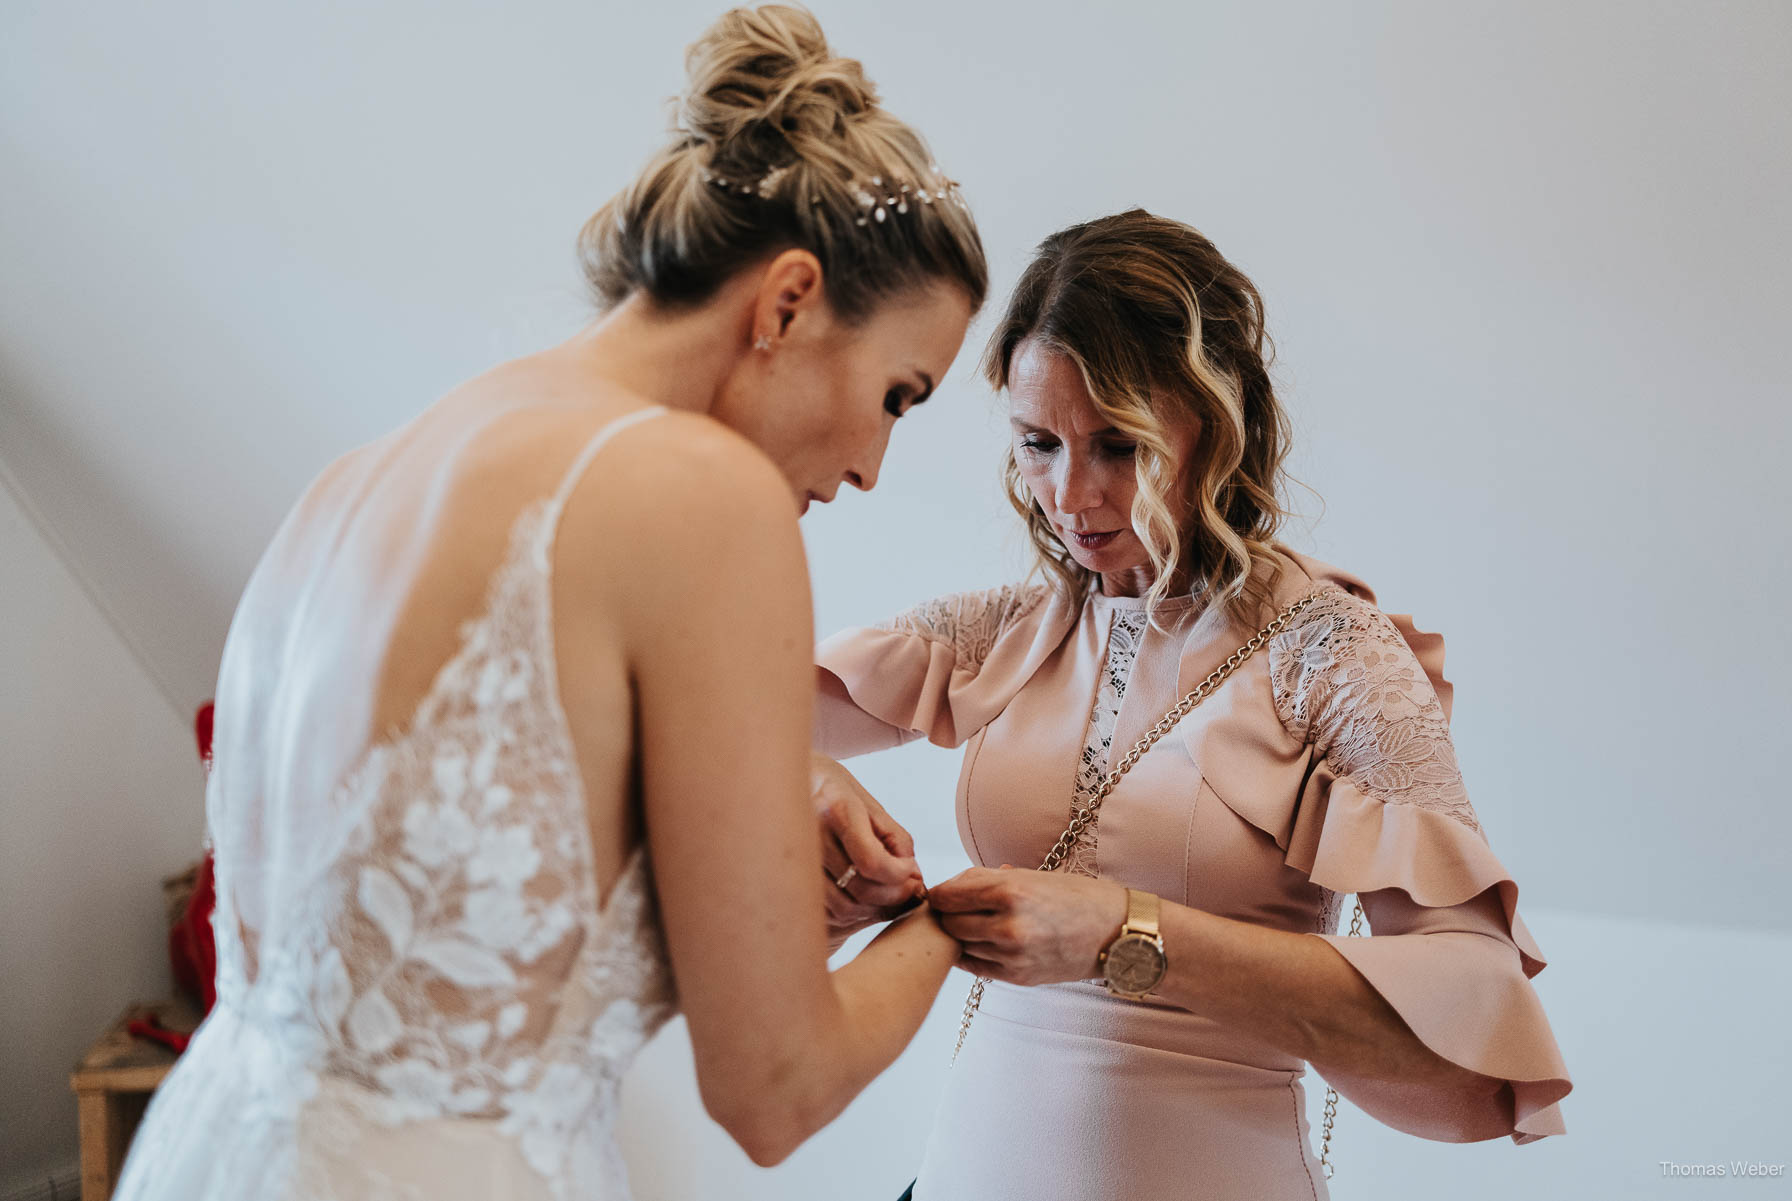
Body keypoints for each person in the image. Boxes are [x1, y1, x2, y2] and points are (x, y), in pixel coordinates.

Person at [112, 8, 988, 1200]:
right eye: (899, 393)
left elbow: (454, 950)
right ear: (785, 302)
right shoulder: (703, 493)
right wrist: (951, 926)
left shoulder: (363, 477)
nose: (873, 466)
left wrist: (760, 851)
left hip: (218, 1151)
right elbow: (775, 1090)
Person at [814, 210, 1573, 1201]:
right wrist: (824, 803)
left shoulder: (1332, 654)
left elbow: (1477, 1024)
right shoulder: (1000, 632)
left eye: (1118, 445)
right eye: (1039, 443)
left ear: (1215, 422)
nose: (1070, 495)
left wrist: (1130, 935)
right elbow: (688, 725)